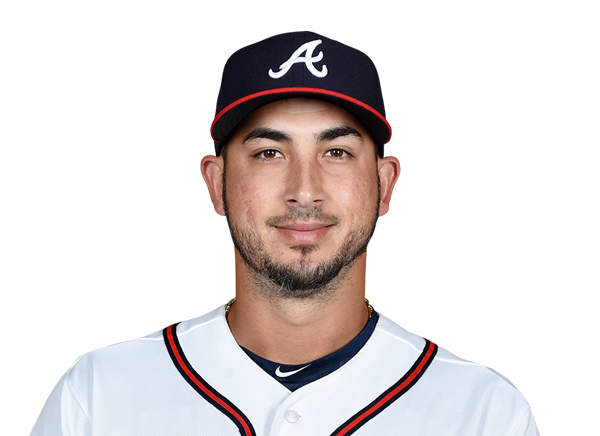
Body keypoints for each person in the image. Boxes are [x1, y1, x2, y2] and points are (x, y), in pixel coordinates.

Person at [31, 31, 539, 435]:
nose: (304, 190)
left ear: (384, 184)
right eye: (269, 153)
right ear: (216, 182)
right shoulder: (99, 397)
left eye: (336, 152)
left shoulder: (483, 414)